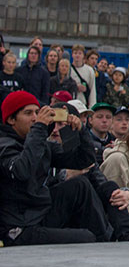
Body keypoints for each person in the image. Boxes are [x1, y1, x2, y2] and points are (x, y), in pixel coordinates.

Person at [0, 91, 116, 245]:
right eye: (28, 113)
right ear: (10, 119)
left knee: (80, 185)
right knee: (86, 238)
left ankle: (107, 241)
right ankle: (99, 242)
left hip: (39, 213)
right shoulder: (4, 145)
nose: (35, 118)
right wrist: (40, 127)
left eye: (37, 112)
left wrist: (80, 132)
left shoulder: (39, 142)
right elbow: (22, 170)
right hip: (19, 226)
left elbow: (83, 161)